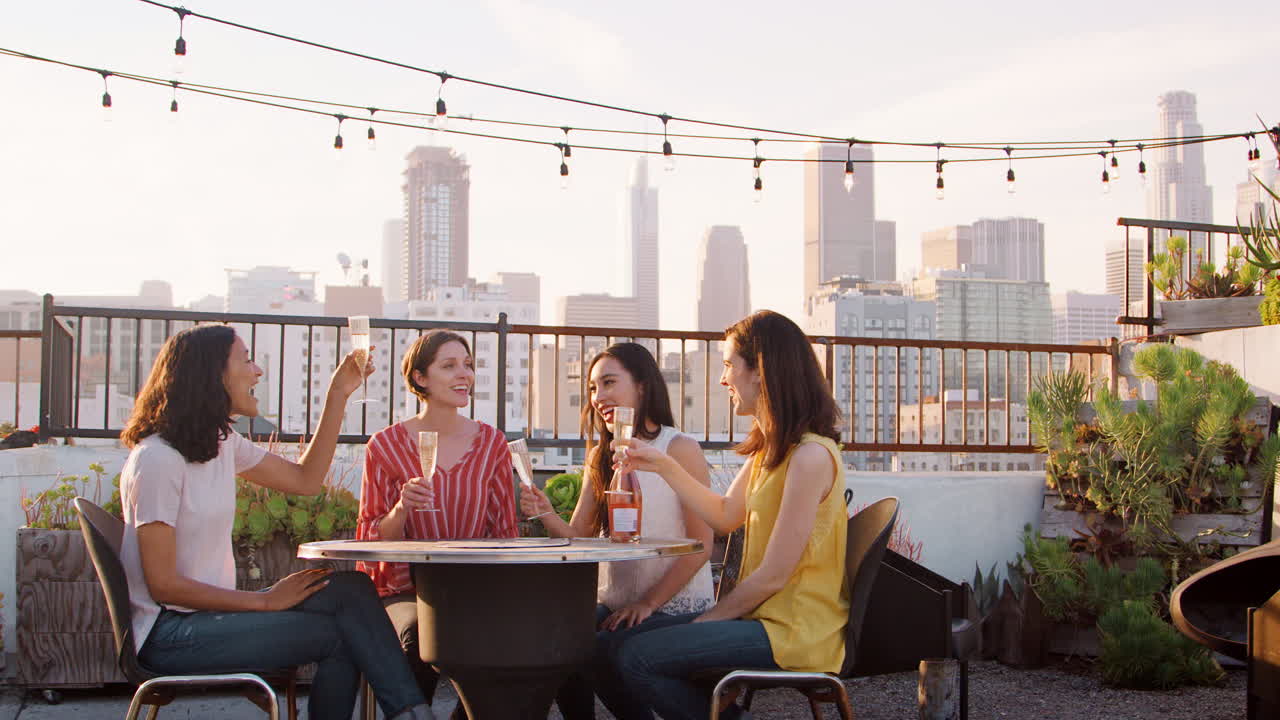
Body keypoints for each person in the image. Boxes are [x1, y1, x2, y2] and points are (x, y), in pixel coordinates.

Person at [118, 325, 431, 720]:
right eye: (246, 360)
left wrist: (339, 394)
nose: (257, 371)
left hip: (206, 620)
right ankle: (415, 714)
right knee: (341, 638)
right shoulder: (158, 460)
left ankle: (413, 713)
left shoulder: (220, 444)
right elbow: (163, 584)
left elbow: (305, 480)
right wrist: (262, 602)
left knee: (351, 589)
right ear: (212, 374)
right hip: (170, 634)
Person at [611, 310, 847, 720]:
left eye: (728, 366)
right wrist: (662, 463)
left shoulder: (810, 456)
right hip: (760, 620)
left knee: (636, 656)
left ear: (761, 371)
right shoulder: (771, 452)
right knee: (607, 645)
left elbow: (774, 575)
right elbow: (724, 516)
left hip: (792, 632)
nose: (723, 380)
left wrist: (707, 620)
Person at [520, 342, 714, 720]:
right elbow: (579, 536)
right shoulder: (601, 455)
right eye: (592, 388)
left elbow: (701, 546)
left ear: (641, 385)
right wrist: (545, 512)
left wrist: (647, 604)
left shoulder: (679, 448)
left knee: (599, 647)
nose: (598, 397)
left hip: (673, 604)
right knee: (555, 640)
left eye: (609, 383)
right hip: (615, 603)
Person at [357, 330, 518, 713]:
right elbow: (369, 537)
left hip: (472, 585)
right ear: (420, 378)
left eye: (468, 365)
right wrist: (401, 509)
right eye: (449, 366)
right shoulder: (384, 446)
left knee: (517, 636)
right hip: (406, 590)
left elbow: (504, 532)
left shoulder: (492, 443)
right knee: (420, 633)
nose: (464, 374)